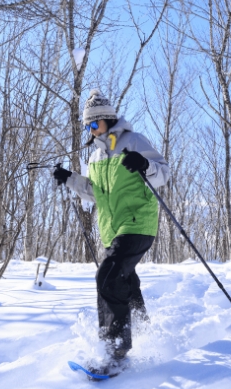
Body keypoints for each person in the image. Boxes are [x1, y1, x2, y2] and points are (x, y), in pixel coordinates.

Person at [53, 89, 171, 371]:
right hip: (113, 230)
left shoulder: (133, 141)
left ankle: (115, 351)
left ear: (107, 119)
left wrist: (144, 164)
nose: (91, 130)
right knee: (124, 283)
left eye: (94, 124)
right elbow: (96, 193)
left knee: (106, 279)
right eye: (87, 126)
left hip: (137, 223)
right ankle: (144, 333)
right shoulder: (95, 158)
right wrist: (70, 179)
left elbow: (163, 173)